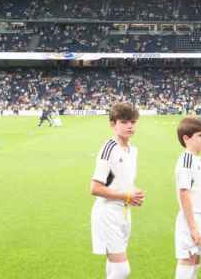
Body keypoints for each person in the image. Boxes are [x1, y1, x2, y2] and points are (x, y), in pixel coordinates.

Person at [89, 103, 144, 279]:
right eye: (124, 122)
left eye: (133, 122)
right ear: (113, 124)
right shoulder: (109, 148)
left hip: (124, 213)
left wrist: (133, 194)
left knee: (113, 268)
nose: (130, 126)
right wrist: (127, 195)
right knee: (122, 270)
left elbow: (120, 181)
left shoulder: (132, 150)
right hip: (108, 214)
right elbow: (95, 188)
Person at [175, 116, 201, 279]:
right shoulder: (186, 160)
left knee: (196, 259)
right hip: (193, 217)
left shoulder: (198, 158)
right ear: (186, 138)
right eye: (200, 135)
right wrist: (192, 228)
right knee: (187, 260)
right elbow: (184, 193)